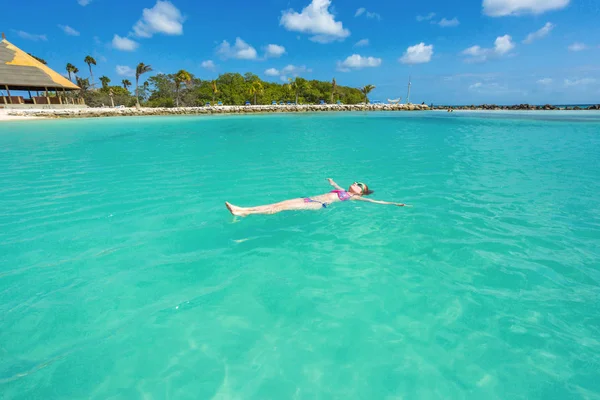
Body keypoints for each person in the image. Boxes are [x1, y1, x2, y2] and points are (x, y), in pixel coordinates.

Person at [225, 178, 409, 217]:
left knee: (279, 208)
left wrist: (394, 203)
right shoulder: (342, 191)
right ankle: (243, 210)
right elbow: (337, 188)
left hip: (317, 204)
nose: (355, 183)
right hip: (308, 199)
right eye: (355, 182)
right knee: (278, 203)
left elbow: (374, 201)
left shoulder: (354, 198)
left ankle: (242, 211)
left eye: (359, 185)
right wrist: (332, 182)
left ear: (360, 192)